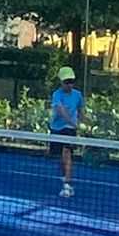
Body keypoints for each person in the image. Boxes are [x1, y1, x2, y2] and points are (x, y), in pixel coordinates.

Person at [49, 66, 85, 198]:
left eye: (71, 81)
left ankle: (67, 185)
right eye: (66, 82)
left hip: (70, 129)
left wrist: (85, 124)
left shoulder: (78, 95)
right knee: (61, 157)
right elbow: (61, 111)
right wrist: (74, 123)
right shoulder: (57, 95)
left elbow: (81, 112)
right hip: (56, 128)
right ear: (61, 82)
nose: (69, 84)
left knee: (67, 154)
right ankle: (65, 178)